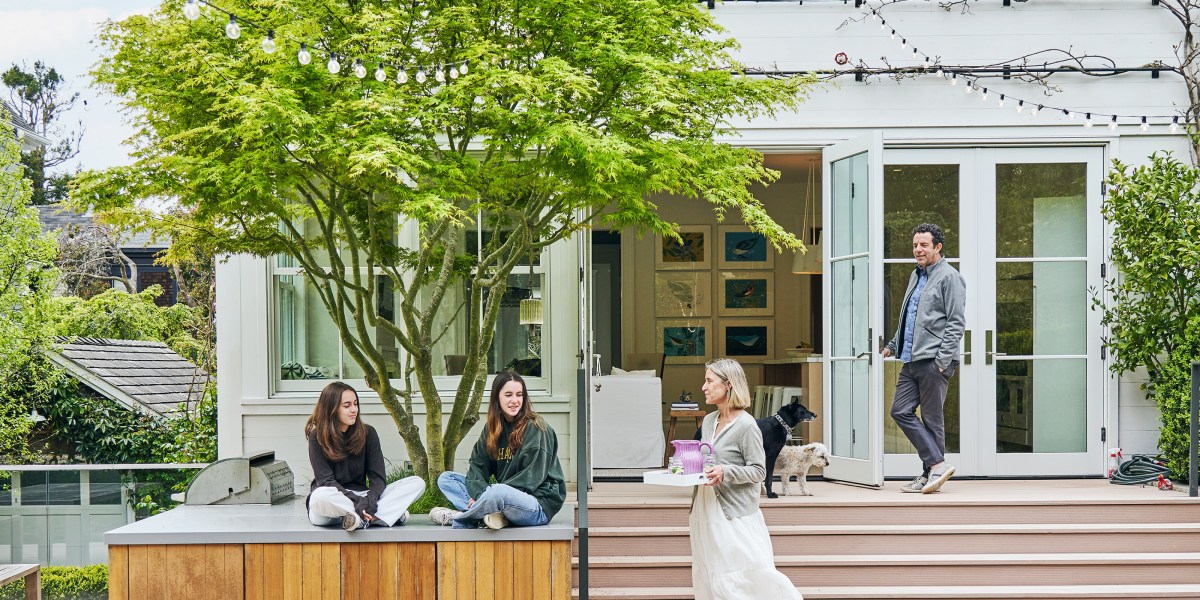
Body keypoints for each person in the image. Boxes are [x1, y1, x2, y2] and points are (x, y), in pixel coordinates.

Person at [690, 357, 802, 600]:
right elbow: (707, 459)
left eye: (709, 381)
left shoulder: (746, 425)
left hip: (734, 513)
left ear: (728, 384)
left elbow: (759, 471)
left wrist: (726, 471)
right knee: (710, 572)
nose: (703, 387)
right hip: (705, 508)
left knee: (742, 575)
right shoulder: (709, 421)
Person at [882, 223, 966, 494]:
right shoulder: (915, 275)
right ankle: (937, 465)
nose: (918, 250)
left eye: (924, 245)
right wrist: (892, 345)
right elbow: (909, 318)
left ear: (937, 247)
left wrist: (942, 360)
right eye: (915, 245)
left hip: (934, 360)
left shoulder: (950, 277)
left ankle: (930, 474)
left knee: (932, 419)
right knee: (899, 410)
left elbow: (956, 322)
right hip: (911, 359)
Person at [429, 371, 566, 529]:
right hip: (502, 498)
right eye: (508, 395)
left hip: (537, 504)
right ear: (497, 397)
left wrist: (489, 496)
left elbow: (530, 480)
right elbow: (477, 466)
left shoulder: (536, 427)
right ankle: (493, 515)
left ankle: (461, 518)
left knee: (497, 491)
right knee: (447, 479)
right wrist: (481, 494)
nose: (514, 400)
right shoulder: (492, 428)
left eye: (519, 395)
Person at [305, 381, 425, 530]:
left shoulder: (368, 433)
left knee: (417, 483)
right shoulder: (317, 436)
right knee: (320, 496)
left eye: (355, 404)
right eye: (347, 406)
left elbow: (378, 478)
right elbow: (326, 481)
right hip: (333, 503)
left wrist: (370, 500)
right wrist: (358, 502)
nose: (354, 410)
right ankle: (379, 516)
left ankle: (358, 519)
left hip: (363, 496)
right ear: (331, 409)